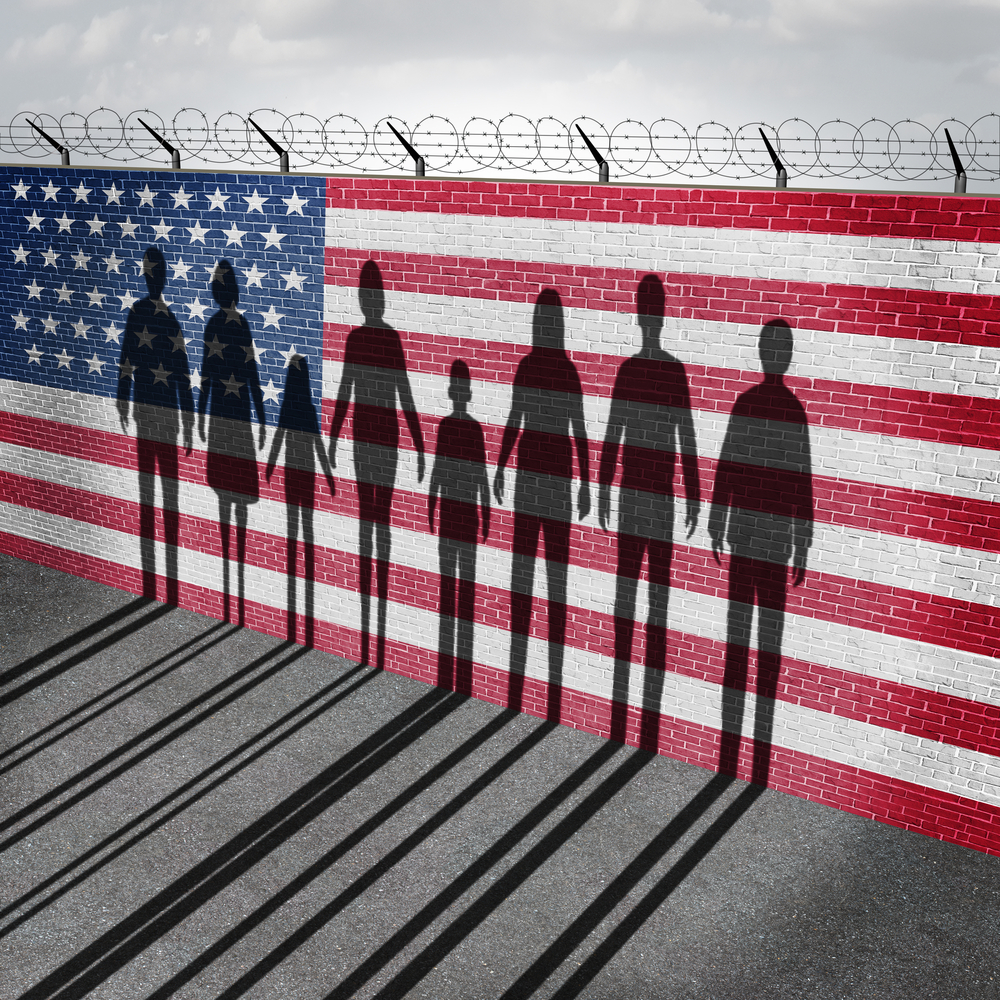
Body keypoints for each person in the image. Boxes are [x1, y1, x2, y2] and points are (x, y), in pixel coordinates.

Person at [708, 319, 813, 786]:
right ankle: (753, 755)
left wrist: (717, 521)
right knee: (763, 642)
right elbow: (797, 479)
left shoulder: (751, 404)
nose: (779, 354)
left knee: (743, 640)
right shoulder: (790, 410)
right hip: (766, 539)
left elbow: (731, 466)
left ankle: (735, 752)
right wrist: (801, 540)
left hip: (752, 536)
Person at [598, 274, 701, 749]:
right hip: (643, 493)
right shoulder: (647, 371)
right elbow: (616, 432)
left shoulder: (657, 372)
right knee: (633, 595)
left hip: (650, 493)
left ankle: (642, 713)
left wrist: (695, 491)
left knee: (648, 597)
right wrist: (600, 488)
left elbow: (684, 435)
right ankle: (627, 705)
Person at [495, 288, 590, 721]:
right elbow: (522, 419)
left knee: (544, 570)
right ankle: (533, 664)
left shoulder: (542, 367)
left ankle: (543, 667)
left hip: (543, 478)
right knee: (539, 569)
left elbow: (578, 429)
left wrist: (587, 482)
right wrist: (500, 466)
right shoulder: (551, 367)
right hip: (542, 478)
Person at [329, 260, 425, 668]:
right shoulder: (378, 338)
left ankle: (376, 589)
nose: (372, 299)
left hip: (377, 434)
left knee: (376, 515)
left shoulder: (378, 339)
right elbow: (349, 388)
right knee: (373, 515)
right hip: (372, 435)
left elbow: (399, 390)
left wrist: (420, 444)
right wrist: (332, 439)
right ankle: (373, 590)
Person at [116, 247, 193, 604]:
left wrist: (123, 399)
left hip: (152, 414)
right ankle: (165, 583)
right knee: (165, 495)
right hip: (162, 416)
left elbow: (128, 362)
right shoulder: (168, 318)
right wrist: (189, 422)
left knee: (152, 493)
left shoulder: (141, 313)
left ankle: (156, 583)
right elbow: (181, 376)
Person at [197, 260, 266, 625]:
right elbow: (244, 374)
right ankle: (232, 564)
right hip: (234, 419)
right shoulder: (237, 324)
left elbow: (210, 376)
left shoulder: (221, 325)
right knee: (232, 490)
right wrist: (262, 416)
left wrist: (200, 416)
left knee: (229, 490)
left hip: (227, 419)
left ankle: (231, 565)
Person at [428, 360, 491, 693]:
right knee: (454, 586)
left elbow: (477, 472)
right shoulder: (457, 428)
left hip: (459, 514)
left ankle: (456, 667)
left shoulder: (459, 428)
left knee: (457, 586)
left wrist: (432, 504)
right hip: (458, 514)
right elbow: (442, 469)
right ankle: (453, 666)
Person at [266, 358, 335, 646]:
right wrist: (328, 474)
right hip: (303, 473)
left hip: (293, 473)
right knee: (303, 523)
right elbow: (315, 443)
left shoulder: (292, 408)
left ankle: (297, 569)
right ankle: (303, 570)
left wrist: (270, 466)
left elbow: (281, 438)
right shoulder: (306, 408)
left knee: (295, 522)